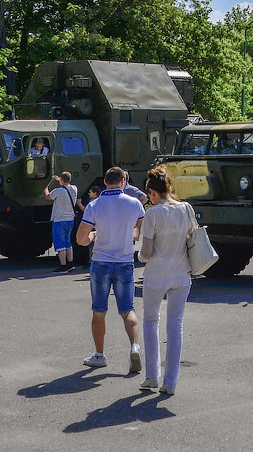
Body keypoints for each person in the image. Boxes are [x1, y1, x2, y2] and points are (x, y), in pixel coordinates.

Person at [76, 166, 145, 372]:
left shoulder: (94, 205)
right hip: (124, 262)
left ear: (105, 182)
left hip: (101, 263)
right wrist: (129, 235)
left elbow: (81, 239)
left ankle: (99, 355)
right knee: (128, 310)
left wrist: (93, 236)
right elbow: (138, 233)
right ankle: (134, 346)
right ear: (123, 182)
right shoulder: (134, 204)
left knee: (99, 311)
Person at [138, 167, 193, 395]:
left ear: (152, 192)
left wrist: (140, 255)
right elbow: (191, 237)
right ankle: (170, 382)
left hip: (157, 275)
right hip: (181, 274)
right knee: (175, 326)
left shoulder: (152, 214)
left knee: (151, 321)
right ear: (169, 187)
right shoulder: (186, 208)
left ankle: (152, 375)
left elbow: (147, 252)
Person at [43, 172, 78, 272]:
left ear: (61, 180)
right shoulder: (74, 189)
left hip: (59, 220)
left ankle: (63, 266)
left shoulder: (58, 191)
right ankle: (71, 263)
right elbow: (67, 185)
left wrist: (45, 187)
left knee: (60, 244)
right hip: (70, 219)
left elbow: (47, 197)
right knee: (68, 242)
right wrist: (60, 180)